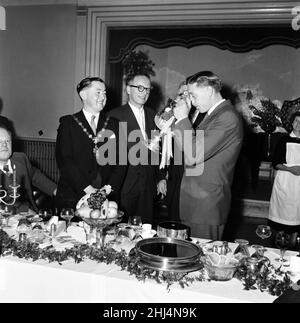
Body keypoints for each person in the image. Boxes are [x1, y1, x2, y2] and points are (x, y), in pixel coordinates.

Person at [172, 71, 243, 240]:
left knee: (201, 261)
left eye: (193, 96)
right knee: (188, 259)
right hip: (196, 202)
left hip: (206, 205)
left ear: (210, 91)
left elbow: (194, 154)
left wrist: (183, 118)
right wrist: (175, 122)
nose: (192, 101)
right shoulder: (212, 116)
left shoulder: (227, 117)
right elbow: (186, 148)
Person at [55, 77, 126, 212]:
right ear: (83, 95)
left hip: (107, 197)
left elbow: (121, 162)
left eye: (104, 93)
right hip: (73, 197)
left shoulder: (114, 124)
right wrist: (89, 190)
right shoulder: (68, 123)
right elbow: (65, 161)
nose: (103, 97)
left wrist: (107, 189)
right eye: (98, 92)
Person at [108, 73, 163, 224]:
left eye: (147, 89)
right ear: (128, 89)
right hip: (124, 186)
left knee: (145, 231)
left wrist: (160, 177)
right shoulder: (113, 116)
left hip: (148, 187)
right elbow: (109, 156)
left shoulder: (154, 116)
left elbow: (158, 150)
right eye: (140, 88)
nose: (144, 92)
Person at [157, 81, 206, 222]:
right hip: (174, 179)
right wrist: (161, 176)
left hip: (196, 182)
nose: (184, 97)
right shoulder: (168, 116)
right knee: (173, 223)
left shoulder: (205, 118)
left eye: (188, 94)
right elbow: (158, 147)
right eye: (180, 94)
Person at [0, 125, 57, 213]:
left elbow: (35, 176)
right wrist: (25, 211)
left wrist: (56, 190)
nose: (4, 145)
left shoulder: (20, 159)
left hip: (33, 215)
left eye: (7, 141)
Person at [268, 111, 300, 241]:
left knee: (298, 209)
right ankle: (281, 238)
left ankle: (295, 238)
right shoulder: (283, 140)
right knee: (283, 208)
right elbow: (276, 163)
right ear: (292, 123)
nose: (299, 124)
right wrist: (290, 169)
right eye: (296, 121)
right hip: (286, 179)